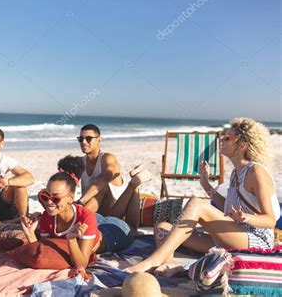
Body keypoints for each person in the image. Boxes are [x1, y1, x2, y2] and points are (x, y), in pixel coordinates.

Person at [126, 118, 280, 276]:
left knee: (197, 203)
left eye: (227, 138)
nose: (221, 140)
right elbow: (228, 207)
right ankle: (170, 264)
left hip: (255, 240)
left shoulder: (256, 172)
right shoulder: (236, 173)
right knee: (162, 228)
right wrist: (205, 184)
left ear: (241, 145)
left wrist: (246, 218)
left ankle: (154, 260)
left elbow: (270, 220)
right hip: (233, 235)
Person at [21, 171, 135, 269]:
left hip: (110, 235)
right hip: (91, 221)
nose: (49, 202)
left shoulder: (85, 217)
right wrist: (30, 234)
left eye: (55, 198)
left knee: (132, 228)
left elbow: (82, 264)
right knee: (108, 214)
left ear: (71, 198)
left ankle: (134, 185)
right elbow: (46, 251)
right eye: (45, 197)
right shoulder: (47, 217)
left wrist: (71, 240)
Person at [58, 154, 151, 236]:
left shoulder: (107, 159)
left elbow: (105, 177)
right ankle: (135, 182)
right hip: (107, 209)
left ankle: (134, 184)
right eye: (80, 139)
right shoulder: (83, 162)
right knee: (130, 228)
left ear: (99, 140)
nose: (84, 142)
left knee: (102, 190)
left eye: (88, 139)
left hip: (118, 205)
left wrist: (81, 202)